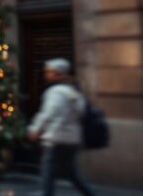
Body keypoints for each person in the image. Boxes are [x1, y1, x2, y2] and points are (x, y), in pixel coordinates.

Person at [28, 58, 96, 196]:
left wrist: (35, 129)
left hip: (56, 138)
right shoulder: (73, 91)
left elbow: (48, 113)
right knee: (71, 173)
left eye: (49, 72)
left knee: (47, 172)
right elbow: (81, 111)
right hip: (72, 139)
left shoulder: (55, 92)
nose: (46, 74)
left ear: (57, 74)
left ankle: (47, 194)